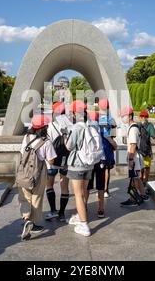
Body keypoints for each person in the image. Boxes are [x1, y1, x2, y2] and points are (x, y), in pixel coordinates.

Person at [19, 114, 57, 241]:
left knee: (24, 197)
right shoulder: (46, 142)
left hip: (23, 173)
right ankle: (33, 224)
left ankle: (26, 218)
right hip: (38, 174)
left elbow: (22, 153)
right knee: (36, 198)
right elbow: (51, 161)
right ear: (44, 128)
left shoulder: (26, 137)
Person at [65, 100, 96, 237]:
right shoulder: (90, 126)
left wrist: (65, 136)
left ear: (74, 114)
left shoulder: (76, 128)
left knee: (78, 194)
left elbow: (69, 147)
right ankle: (80, 216)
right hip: (89, 164)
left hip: (77, 164)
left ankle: (84, 225)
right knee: (83, 192)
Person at [45, 102, 70, 222]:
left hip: (52, 160)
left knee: (49, 184)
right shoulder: (70, 126)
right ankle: (62, 213)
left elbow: (46, 142)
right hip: (66, 160)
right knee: (64, 186)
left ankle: (53, 210)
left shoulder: (50, 125)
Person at [120, 107, 149, 207]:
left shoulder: (133, 129)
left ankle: (133, 199)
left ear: (130, 116)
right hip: (136, 157)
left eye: (123, 116)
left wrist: (131, 159)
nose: (122, 118)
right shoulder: (134, 127)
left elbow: (133, 145)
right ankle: (144, 195)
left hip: (134, 158)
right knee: (137, 178)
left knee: (133, 178)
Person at [86, 111, 106, 218]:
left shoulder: (86, 128)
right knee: (100, 186)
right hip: (101, 159)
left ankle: (84, 206)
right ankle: (101, 209)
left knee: (87, 186)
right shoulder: (103, 128)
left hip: (90, 160)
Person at [98, 99, 117, 198]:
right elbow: (109, 132)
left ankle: (101, 189)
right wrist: (113, 143)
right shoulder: (108, 118)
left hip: (98, 146)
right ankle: (105, 189)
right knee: (106, 169)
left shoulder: (98, 117)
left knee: (100, 169)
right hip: (107, 146)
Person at [137, 111, 155, 189]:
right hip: (147, 150)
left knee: (142, 167)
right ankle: (145, 183)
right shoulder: (150, 125)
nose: (143, 118)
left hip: (139, 149)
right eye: (142, 117)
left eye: (144, 117)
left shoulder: (137, 125)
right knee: (147, 168)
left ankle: (141, 182)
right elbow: (154, 136)